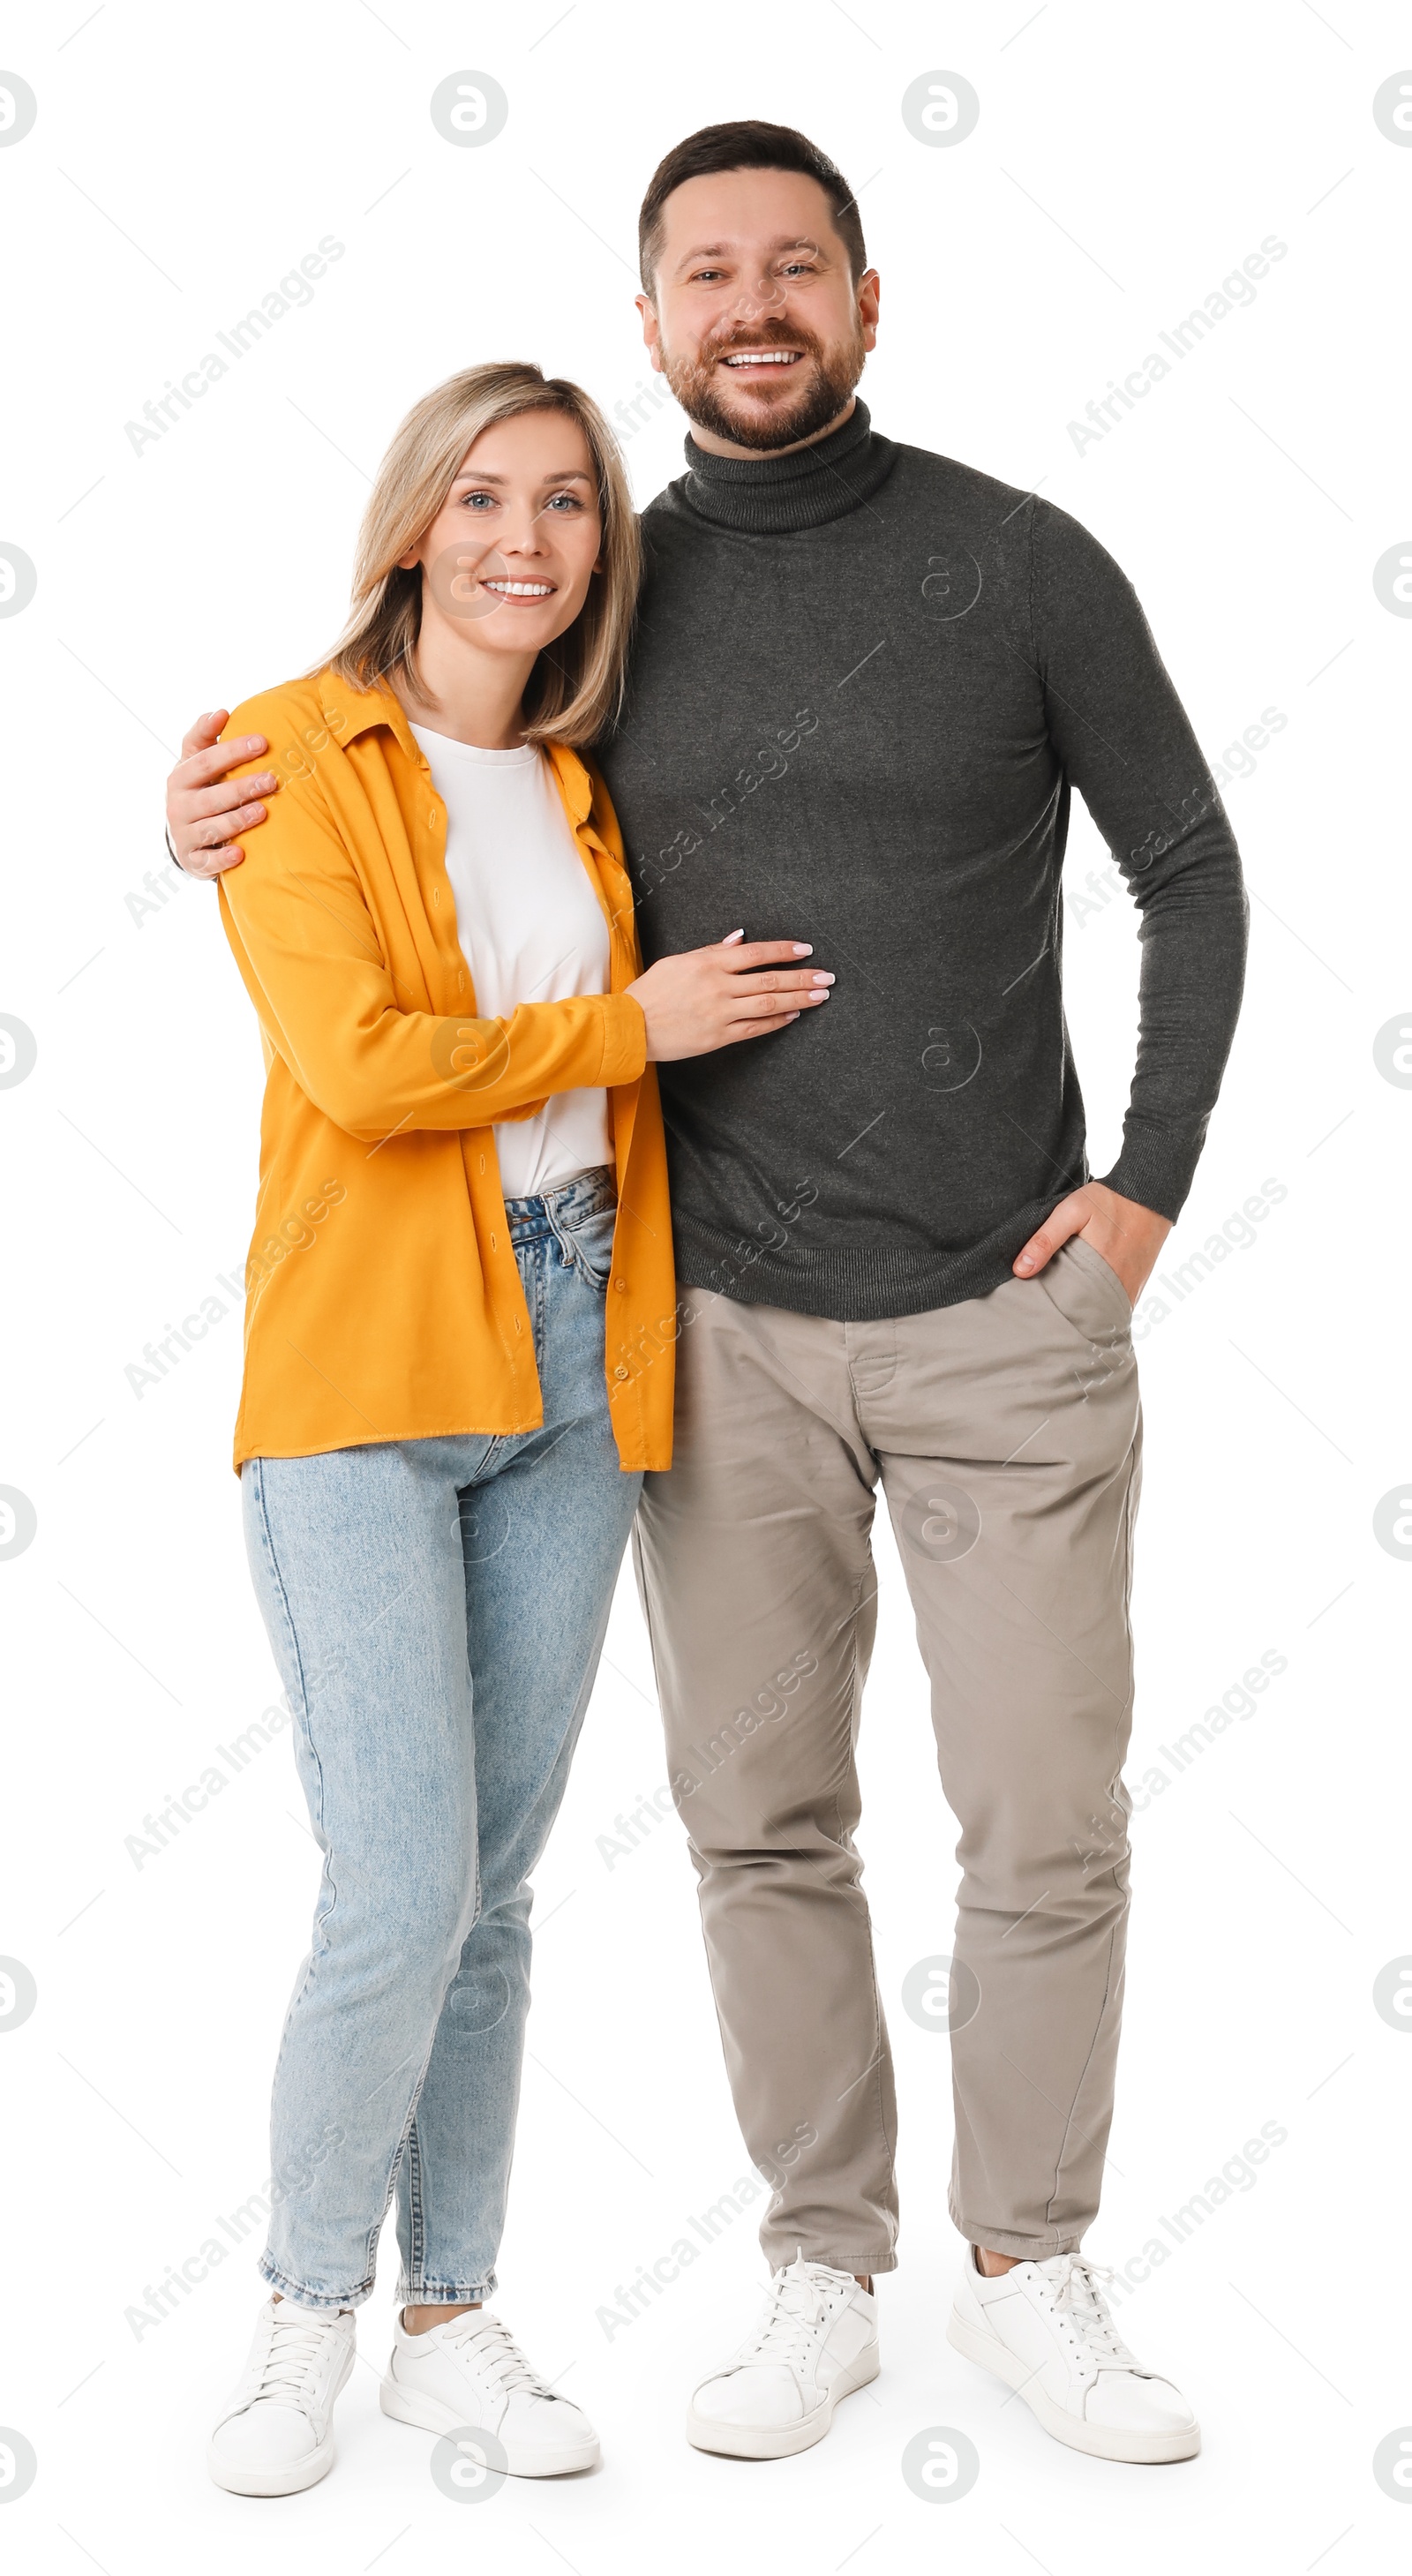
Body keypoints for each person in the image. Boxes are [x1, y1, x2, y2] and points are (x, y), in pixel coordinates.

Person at [167, 124, 1247, 2473]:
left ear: (869, 300)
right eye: (704, 275)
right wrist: (209, 799)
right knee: (750, 1828)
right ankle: (813, 2270)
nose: (753, 307)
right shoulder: (605, 613)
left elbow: (1192, 870)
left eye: (796, 270)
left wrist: (1147, 1194)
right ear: (653, 317)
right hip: (700, 1331)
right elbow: (399, 793)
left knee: (1043, 1816)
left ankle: (1033, 2265)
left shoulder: (1020, 563)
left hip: (993, 1309)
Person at [194, 358, 829, 2497]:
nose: (524, 540)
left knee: (497, 1888)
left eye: (564, 503)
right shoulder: (287, 753)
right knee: (396, 1880)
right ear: (409, 523)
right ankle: (301, 2311)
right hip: (368, 1371)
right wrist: (619, 1029)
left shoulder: (579, 775)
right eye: (482, 497)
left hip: (576, 1353)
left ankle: (450, 2316)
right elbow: (366, 1068)